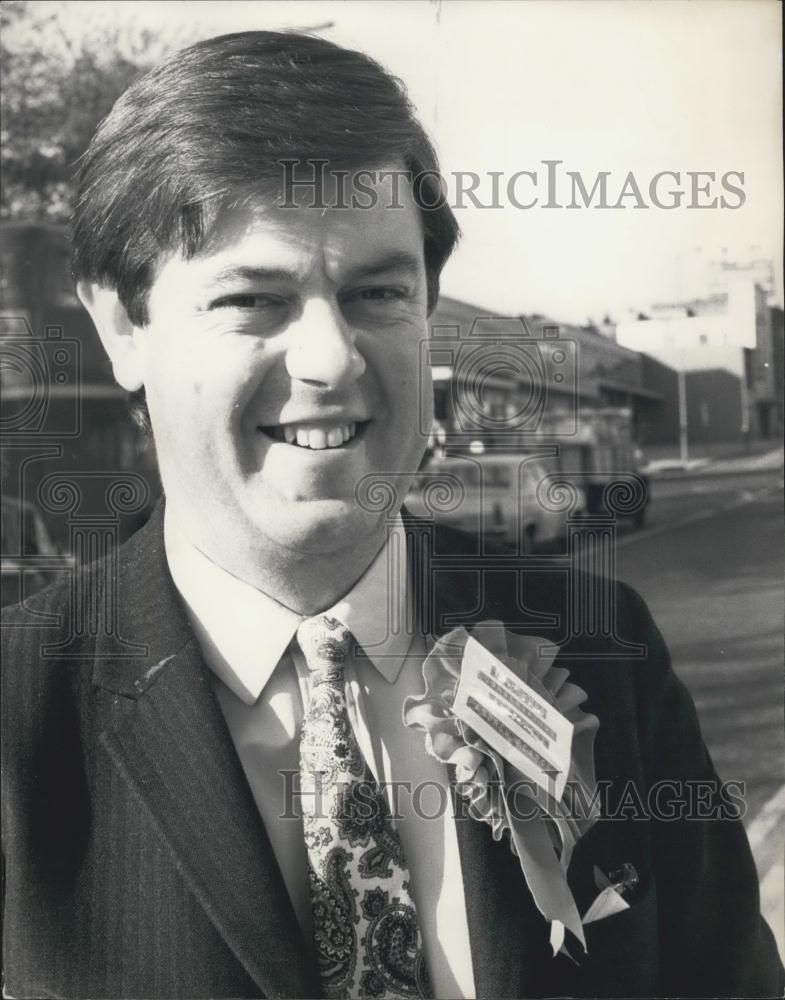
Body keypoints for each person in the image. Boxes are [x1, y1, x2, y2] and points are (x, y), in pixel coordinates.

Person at [1, 30, 782, 1000]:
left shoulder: (600, 650)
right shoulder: (17, 715)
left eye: (376, 292)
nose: (329, 358)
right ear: (122, 327)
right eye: (253, 298)